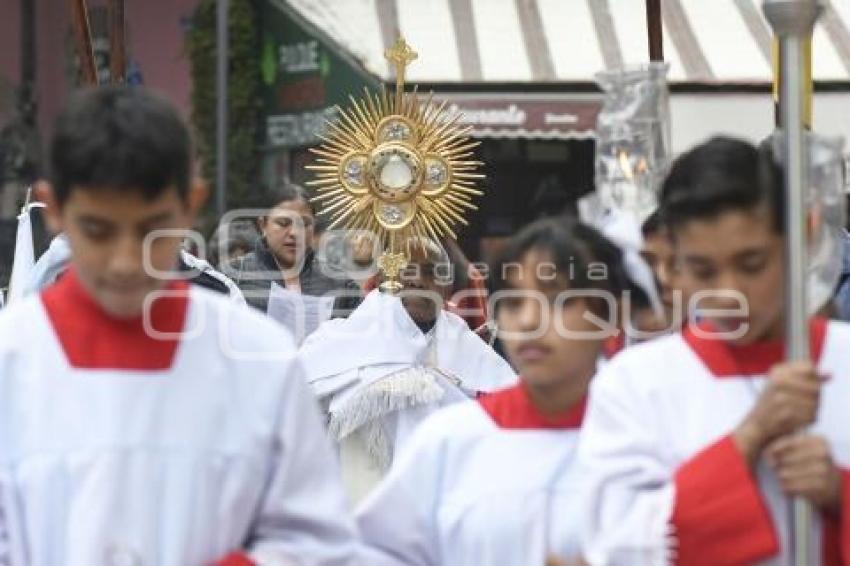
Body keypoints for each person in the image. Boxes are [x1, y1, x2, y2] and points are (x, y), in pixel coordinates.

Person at [0, 86, 359, 564]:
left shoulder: (256, 358)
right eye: (98, 230)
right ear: (55, 209)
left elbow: (315, 538)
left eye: (152, 230)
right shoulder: (12, 355)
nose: (127, 261)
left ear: (191, 205)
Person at [578, 136, 850, 564]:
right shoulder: (633, 383)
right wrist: (749, 438)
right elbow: (615, 545)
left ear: (804, 234)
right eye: (702, 269)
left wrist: (840, 494)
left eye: (752, 264)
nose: (729, 292)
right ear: (673, 261)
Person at [356, 218, 632, 566]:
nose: (529, 321)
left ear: (611, 314)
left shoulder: (644, 436)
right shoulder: (448, 440)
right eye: (514, 303)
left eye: (557, 301)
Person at [297, 237, 517, 504]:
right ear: (383, 280)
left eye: (431, 272)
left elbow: (508, 410)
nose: (416, 281)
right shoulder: (335, 340)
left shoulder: (468, 349)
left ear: (447, 289)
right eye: (406, 270)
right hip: (359, 500)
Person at [226, 183, 361, 316]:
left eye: (305, 224)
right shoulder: (234, 276)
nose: (295, 233)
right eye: (284, 223)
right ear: (263, 225)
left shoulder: (339, 282)